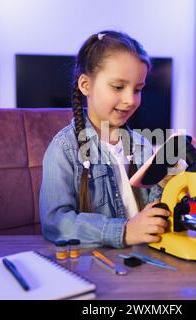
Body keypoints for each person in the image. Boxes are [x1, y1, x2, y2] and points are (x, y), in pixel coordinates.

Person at [39, 30, 172, 248]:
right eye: (118, 87)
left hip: (143, 261)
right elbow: (55, 223)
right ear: (85, 85)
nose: (130, 100)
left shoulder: (141, 144)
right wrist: (124, 231)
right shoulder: (64, 148)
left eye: (138, 89)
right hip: (95, 265)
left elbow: (152, 208)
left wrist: (167, 180)